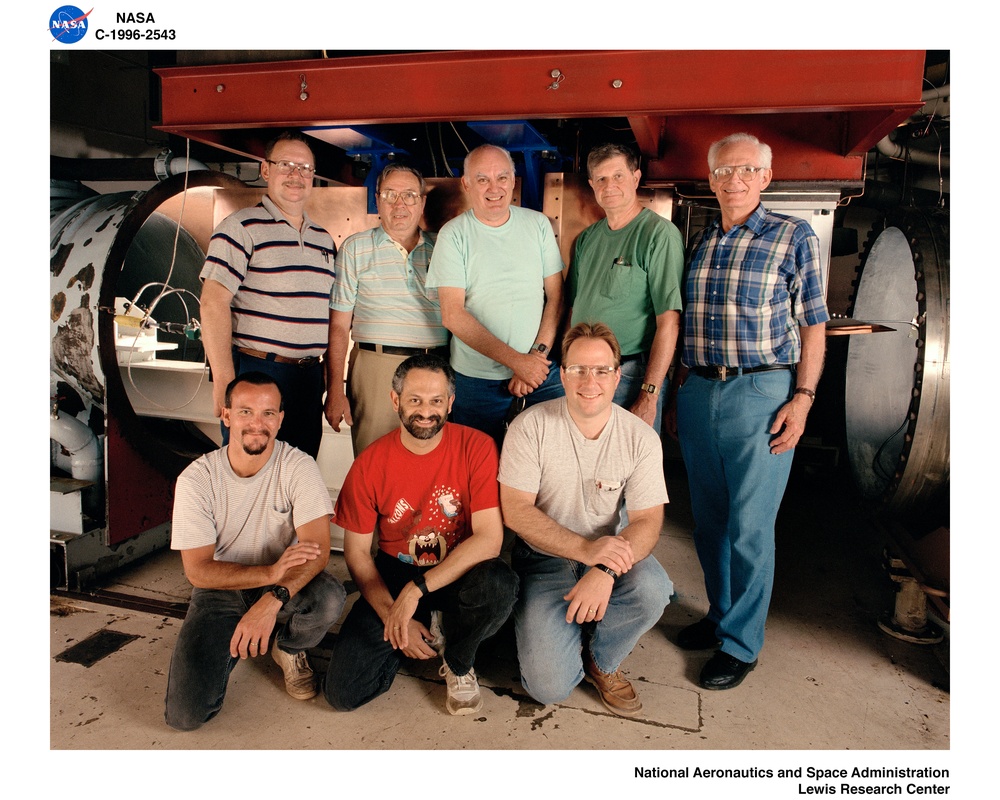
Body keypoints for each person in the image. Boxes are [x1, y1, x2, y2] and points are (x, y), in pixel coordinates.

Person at [669, 132, 829, 690]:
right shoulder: (702, 240)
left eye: (745, 170)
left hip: (762, 392)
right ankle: (719, 617)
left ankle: (741, 644)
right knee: (708, 521)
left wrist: (803, 401)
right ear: (710, 180)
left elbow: (814, 326)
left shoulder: (793, 236)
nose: (733, 180)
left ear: (765, 177)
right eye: (722, 171)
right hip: (699, 391)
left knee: (750, 527)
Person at [324, 354, 518, 716]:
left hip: (459, 572)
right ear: (395, 400)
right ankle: (422, 633)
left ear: (450, 403)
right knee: (343, 693)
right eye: (415, 400)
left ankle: (459, 661)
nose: (426, 411)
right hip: (396, 573)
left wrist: (418, 591)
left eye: (436, 401)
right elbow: (357, 555)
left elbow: (490, 539)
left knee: (499, 583)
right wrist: (393, 618)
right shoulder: (370, 463)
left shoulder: (476, 447)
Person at [498, 322, 673, 717]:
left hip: (610, 555)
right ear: (562, 374)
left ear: (617, 376)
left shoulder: (640, 437)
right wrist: (584, 549)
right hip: (544, 559)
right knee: (549, 686)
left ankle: (602, 659)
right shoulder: (530, 427)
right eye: (577, 369)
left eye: (601, 370)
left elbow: (647, 521)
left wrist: (604, 570)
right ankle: (552, 626)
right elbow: (516, 511)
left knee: (653, 588)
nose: (589, 381)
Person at [164, 372, 346, 731]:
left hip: (284, 584)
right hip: (221, 591)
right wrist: (268, 575)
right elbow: (199, 571)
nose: (257, 424)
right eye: (246, 412)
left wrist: (272, 596)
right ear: (226, 415)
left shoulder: (298, 466)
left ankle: (289, 648)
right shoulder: (196, 480)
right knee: (185, 717)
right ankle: (233, 639)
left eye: (267, 414)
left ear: (280, 419)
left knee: (328, 597)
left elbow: (320, 550)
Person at [200, 130, 336, 459]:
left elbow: (330, 317)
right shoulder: (240, 228)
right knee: (250, 474)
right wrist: (225, 383)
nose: (296, 175)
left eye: (304, 168)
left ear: (313, 177)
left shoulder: (324, 240)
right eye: (286, 164)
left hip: (308, 380)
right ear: (265, 170)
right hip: (258, 374)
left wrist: (331, 383)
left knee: (298, 477)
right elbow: (212, 302)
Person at [427, 144, 565, 446]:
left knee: (558, 462)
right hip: (475, 382)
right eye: (482, 179)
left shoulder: (538, 225)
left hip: (539, 372)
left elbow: (556, 295)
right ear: (466, 184)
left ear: (513, 181)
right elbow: (453, 315)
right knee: (480, 471)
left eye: (502, 177)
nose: (494, 188)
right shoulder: (454, 235)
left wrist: (535, 358)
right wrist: (517, 361)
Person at [325, 164, 449, 456]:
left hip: (436, 368)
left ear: (422, 202)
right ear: (377, 200)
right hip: (376, 368)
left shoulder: (445, 248)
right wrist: (335, 389)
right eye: (390, 195)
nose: (399, 204)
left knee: (432, 466)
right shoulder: (355, 249)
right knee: (374, 461)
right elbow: (339, 326)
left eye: (409, 195)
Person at [567, 143, 684, 432]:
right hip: (583, 377)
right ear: (592, 185)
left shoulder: (659, 234)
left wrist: (649, 393)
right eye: (602, 179)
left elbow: (669, 321)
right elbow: (571, 308)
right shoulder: (587, 239)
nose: (610, 186)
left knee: (630, 470)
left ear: (636, 177)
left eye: (618, 176)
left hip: (630, 375)